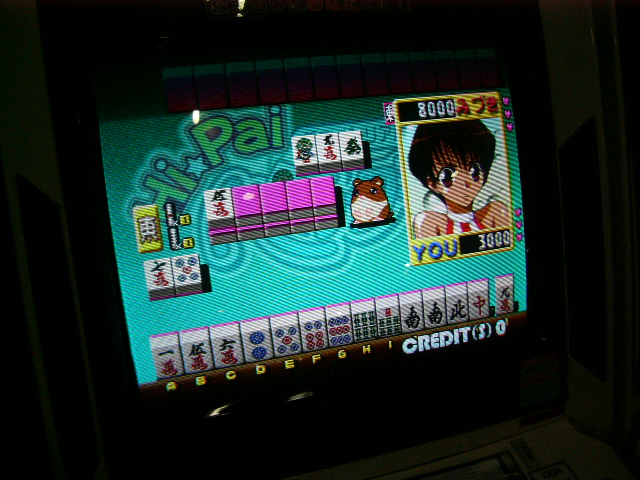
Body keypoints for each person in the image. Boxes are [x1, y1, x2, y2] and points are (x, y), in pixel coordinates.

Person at [408, 119, 509, 238]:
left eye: (475, 171)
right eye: (448, 176)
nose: (466, 183)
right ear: (432, 183)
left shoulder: (494, 213)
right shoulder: (431, 222)